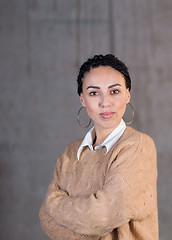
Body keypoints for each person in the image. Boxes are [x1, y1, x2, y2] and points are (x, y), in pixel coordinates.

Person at [39, 54, 159, 240]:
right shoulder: (70, 154)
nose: (105, 102)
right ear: (82, 100)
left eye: (114, 91)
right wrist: (89, 225)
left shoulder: (138, 147)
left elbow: (101, 215)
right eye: (94, 93)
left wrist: (57, 206)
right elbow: (46, 218)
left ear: (128, 95)